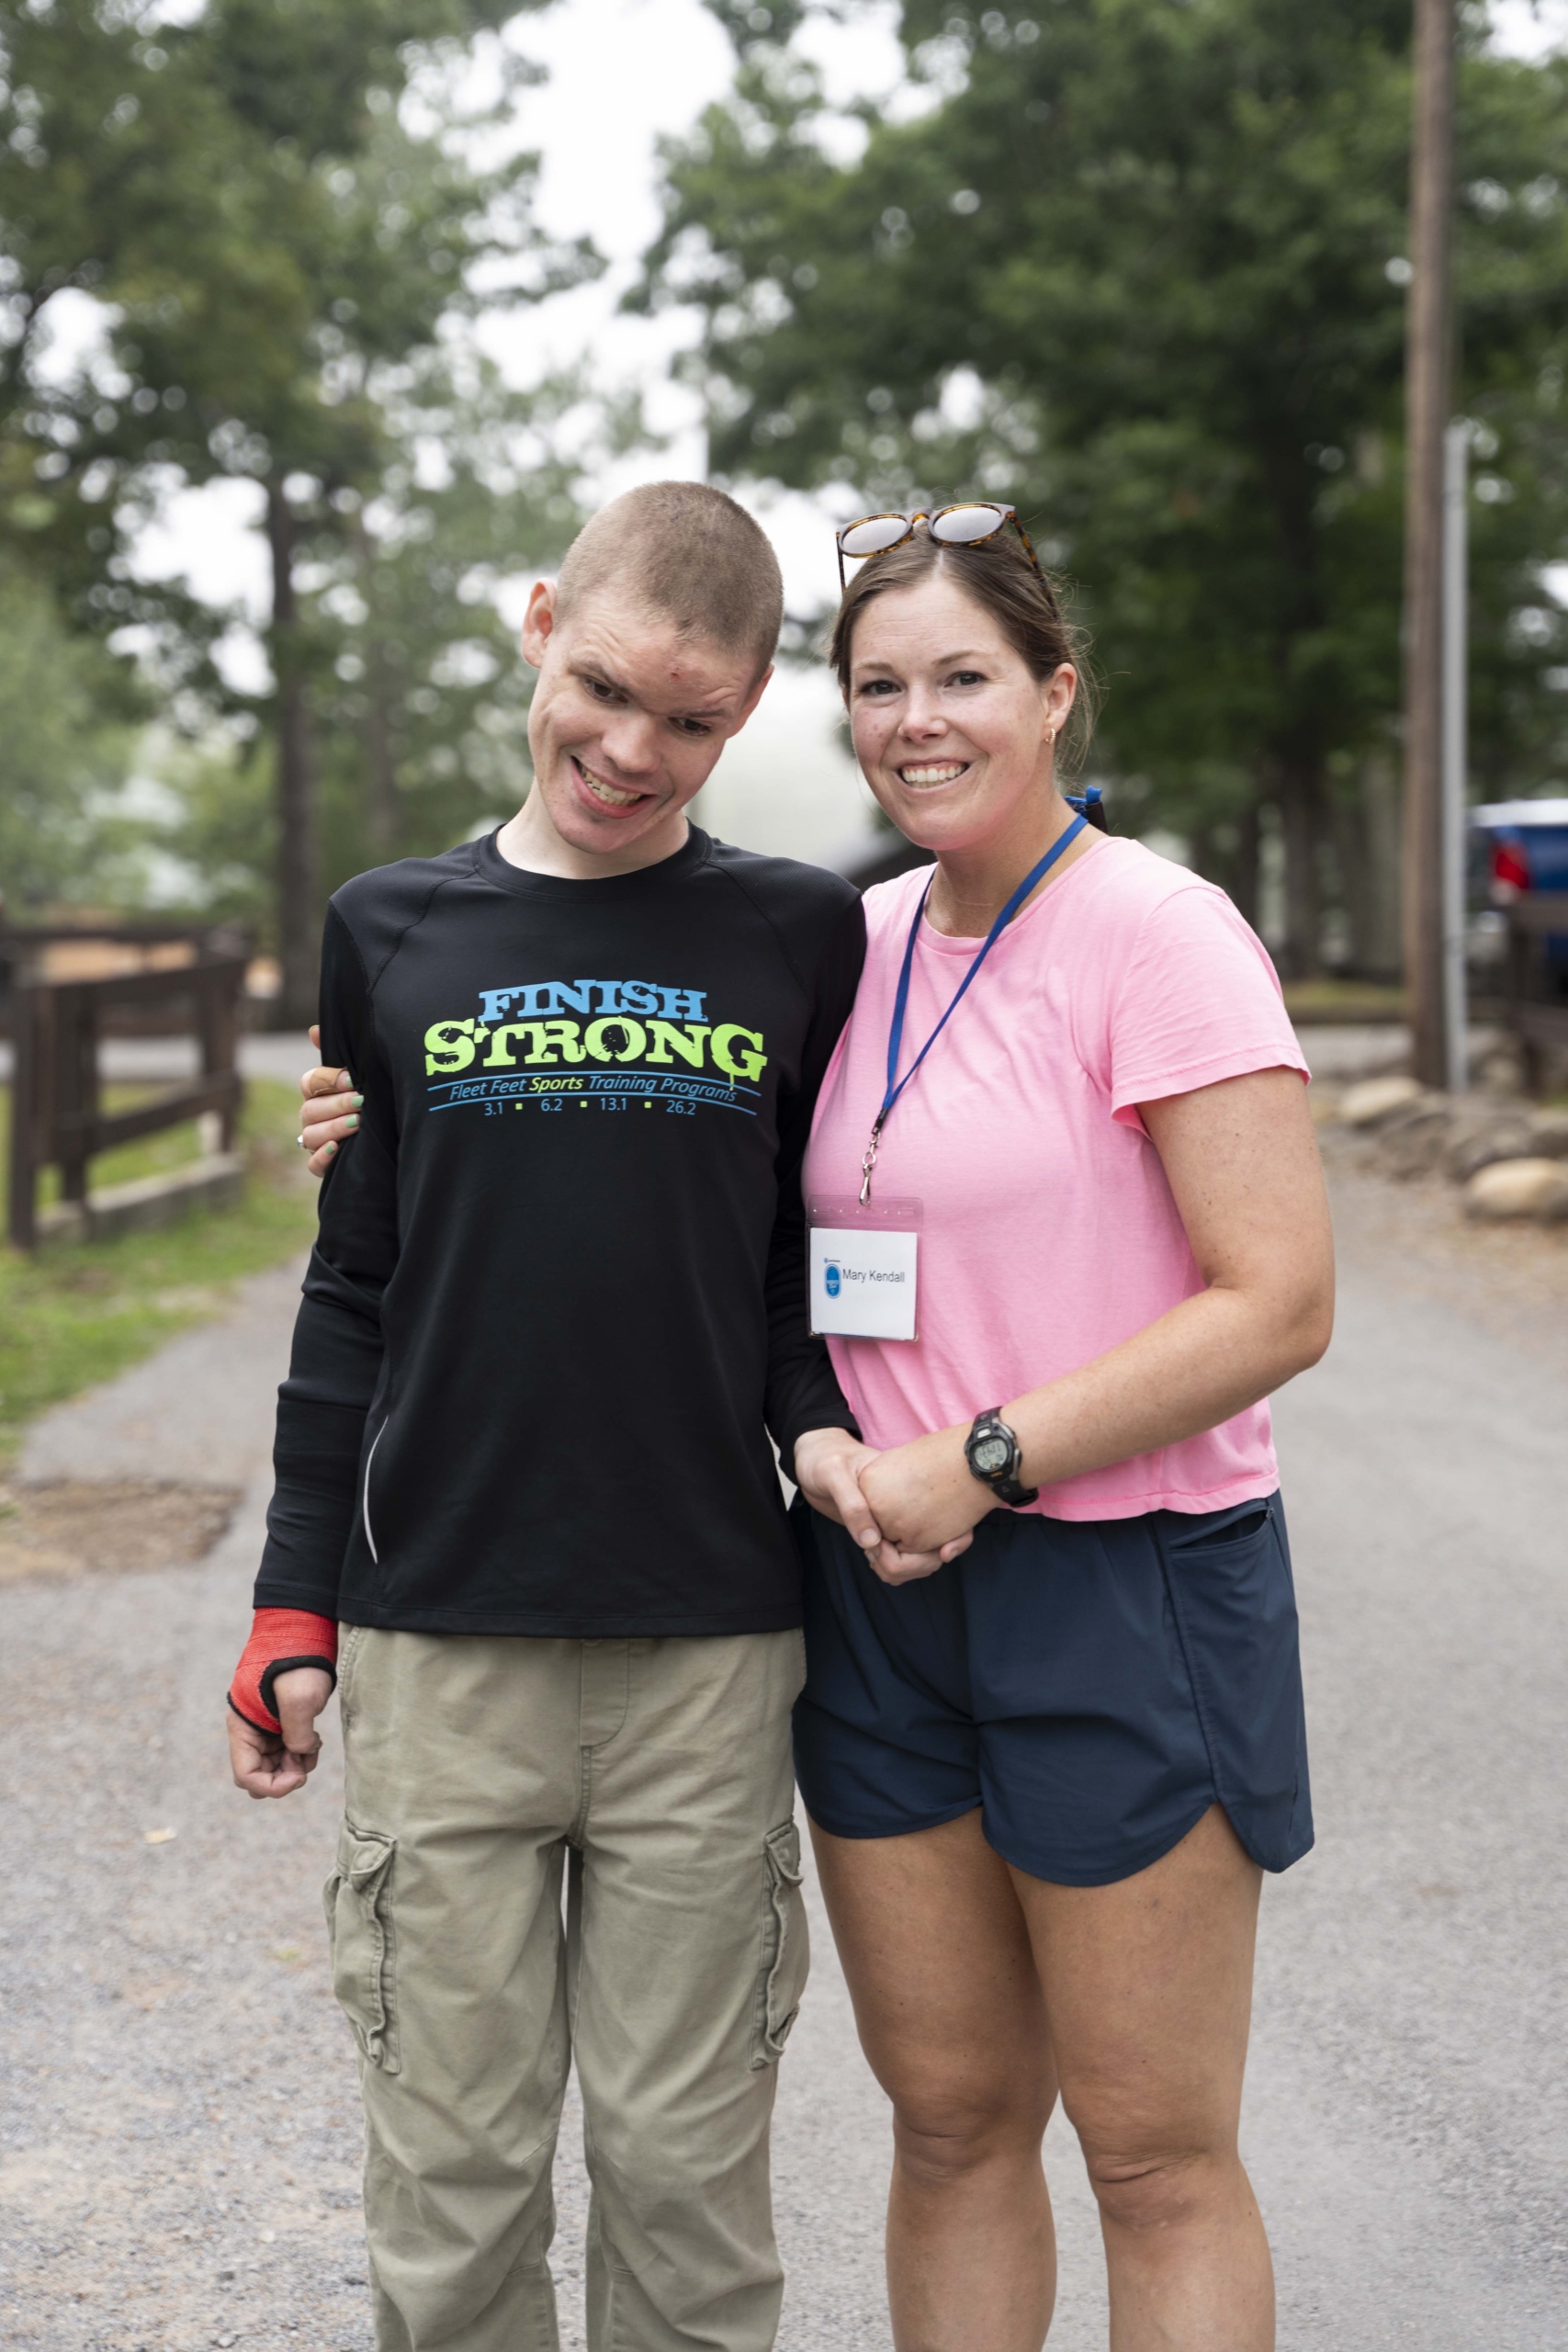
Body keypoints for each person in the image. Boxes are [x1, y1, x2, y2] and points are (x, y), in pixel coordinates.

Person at [228, 481, 964, 2352]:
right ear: (541, 621)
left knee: (686, 2186)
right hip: (440, 1643)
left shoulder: (798, 934)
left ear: (745, 712)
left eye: (692, 717)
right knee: (454, 2191)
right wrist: (289, 1603)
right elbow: (352, 1292)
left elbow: (819, 1247)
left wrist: (821, 1430)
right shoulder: (385, 930)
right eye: (606, 687)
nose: (631, 749)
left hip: (705, 1657)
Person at [778, 503, 1334, 2352]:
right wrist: (376, 1117)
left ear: (1052, 691)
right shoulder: (836, 944)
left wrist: (986, 1454)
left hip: (1125, 1592)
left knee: (1151, 2154)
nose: (916, 718)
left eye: (961, 677)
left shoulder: (1157, 932)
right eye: (879, 684)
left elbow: (1276, 1298)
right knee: (945, 2121)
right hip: (876, 1594)